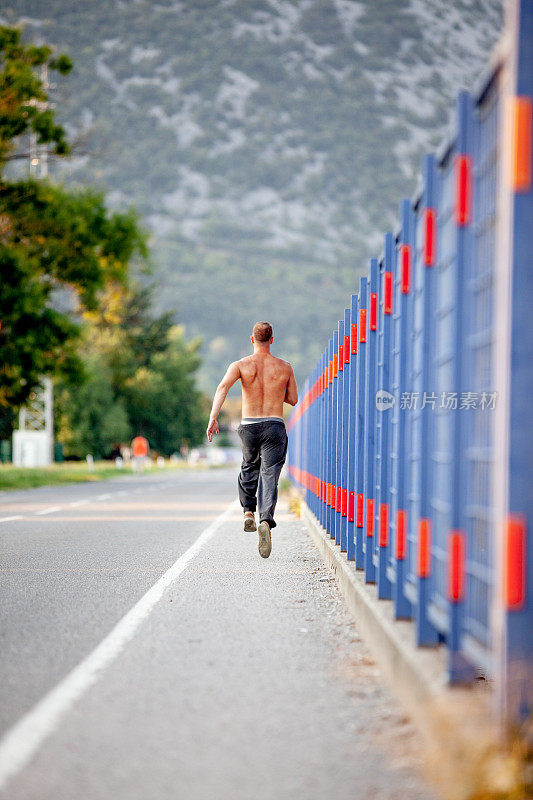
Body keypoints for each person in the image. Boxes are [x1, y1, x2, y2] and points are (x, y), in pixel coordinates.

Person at [207, 321, 298, 559]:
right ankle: (265, 521)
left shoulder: (240, 365)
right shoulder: (285, 367)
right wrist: (276, 391)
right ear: (272, 339)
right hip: (274, 425)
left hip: (249, 425)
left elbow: (223, 387)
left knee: (248, 466)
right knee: (270, 475)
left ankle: (248, 511)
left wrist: (213, 418)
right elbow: (293, 399)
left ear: (252, 339)